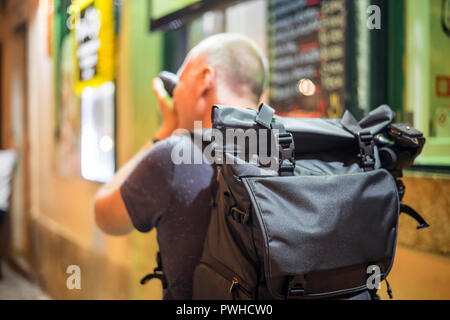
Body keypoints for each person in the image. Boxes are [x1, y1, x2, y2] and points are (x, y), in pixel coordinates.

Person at [93, 33, 268, 299]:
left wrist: (165, 131)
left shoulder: (175, 155)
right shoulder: (287, 147)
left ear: (204, 80)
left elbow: (105, 216)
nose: (176, 94)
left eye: (181, 79)